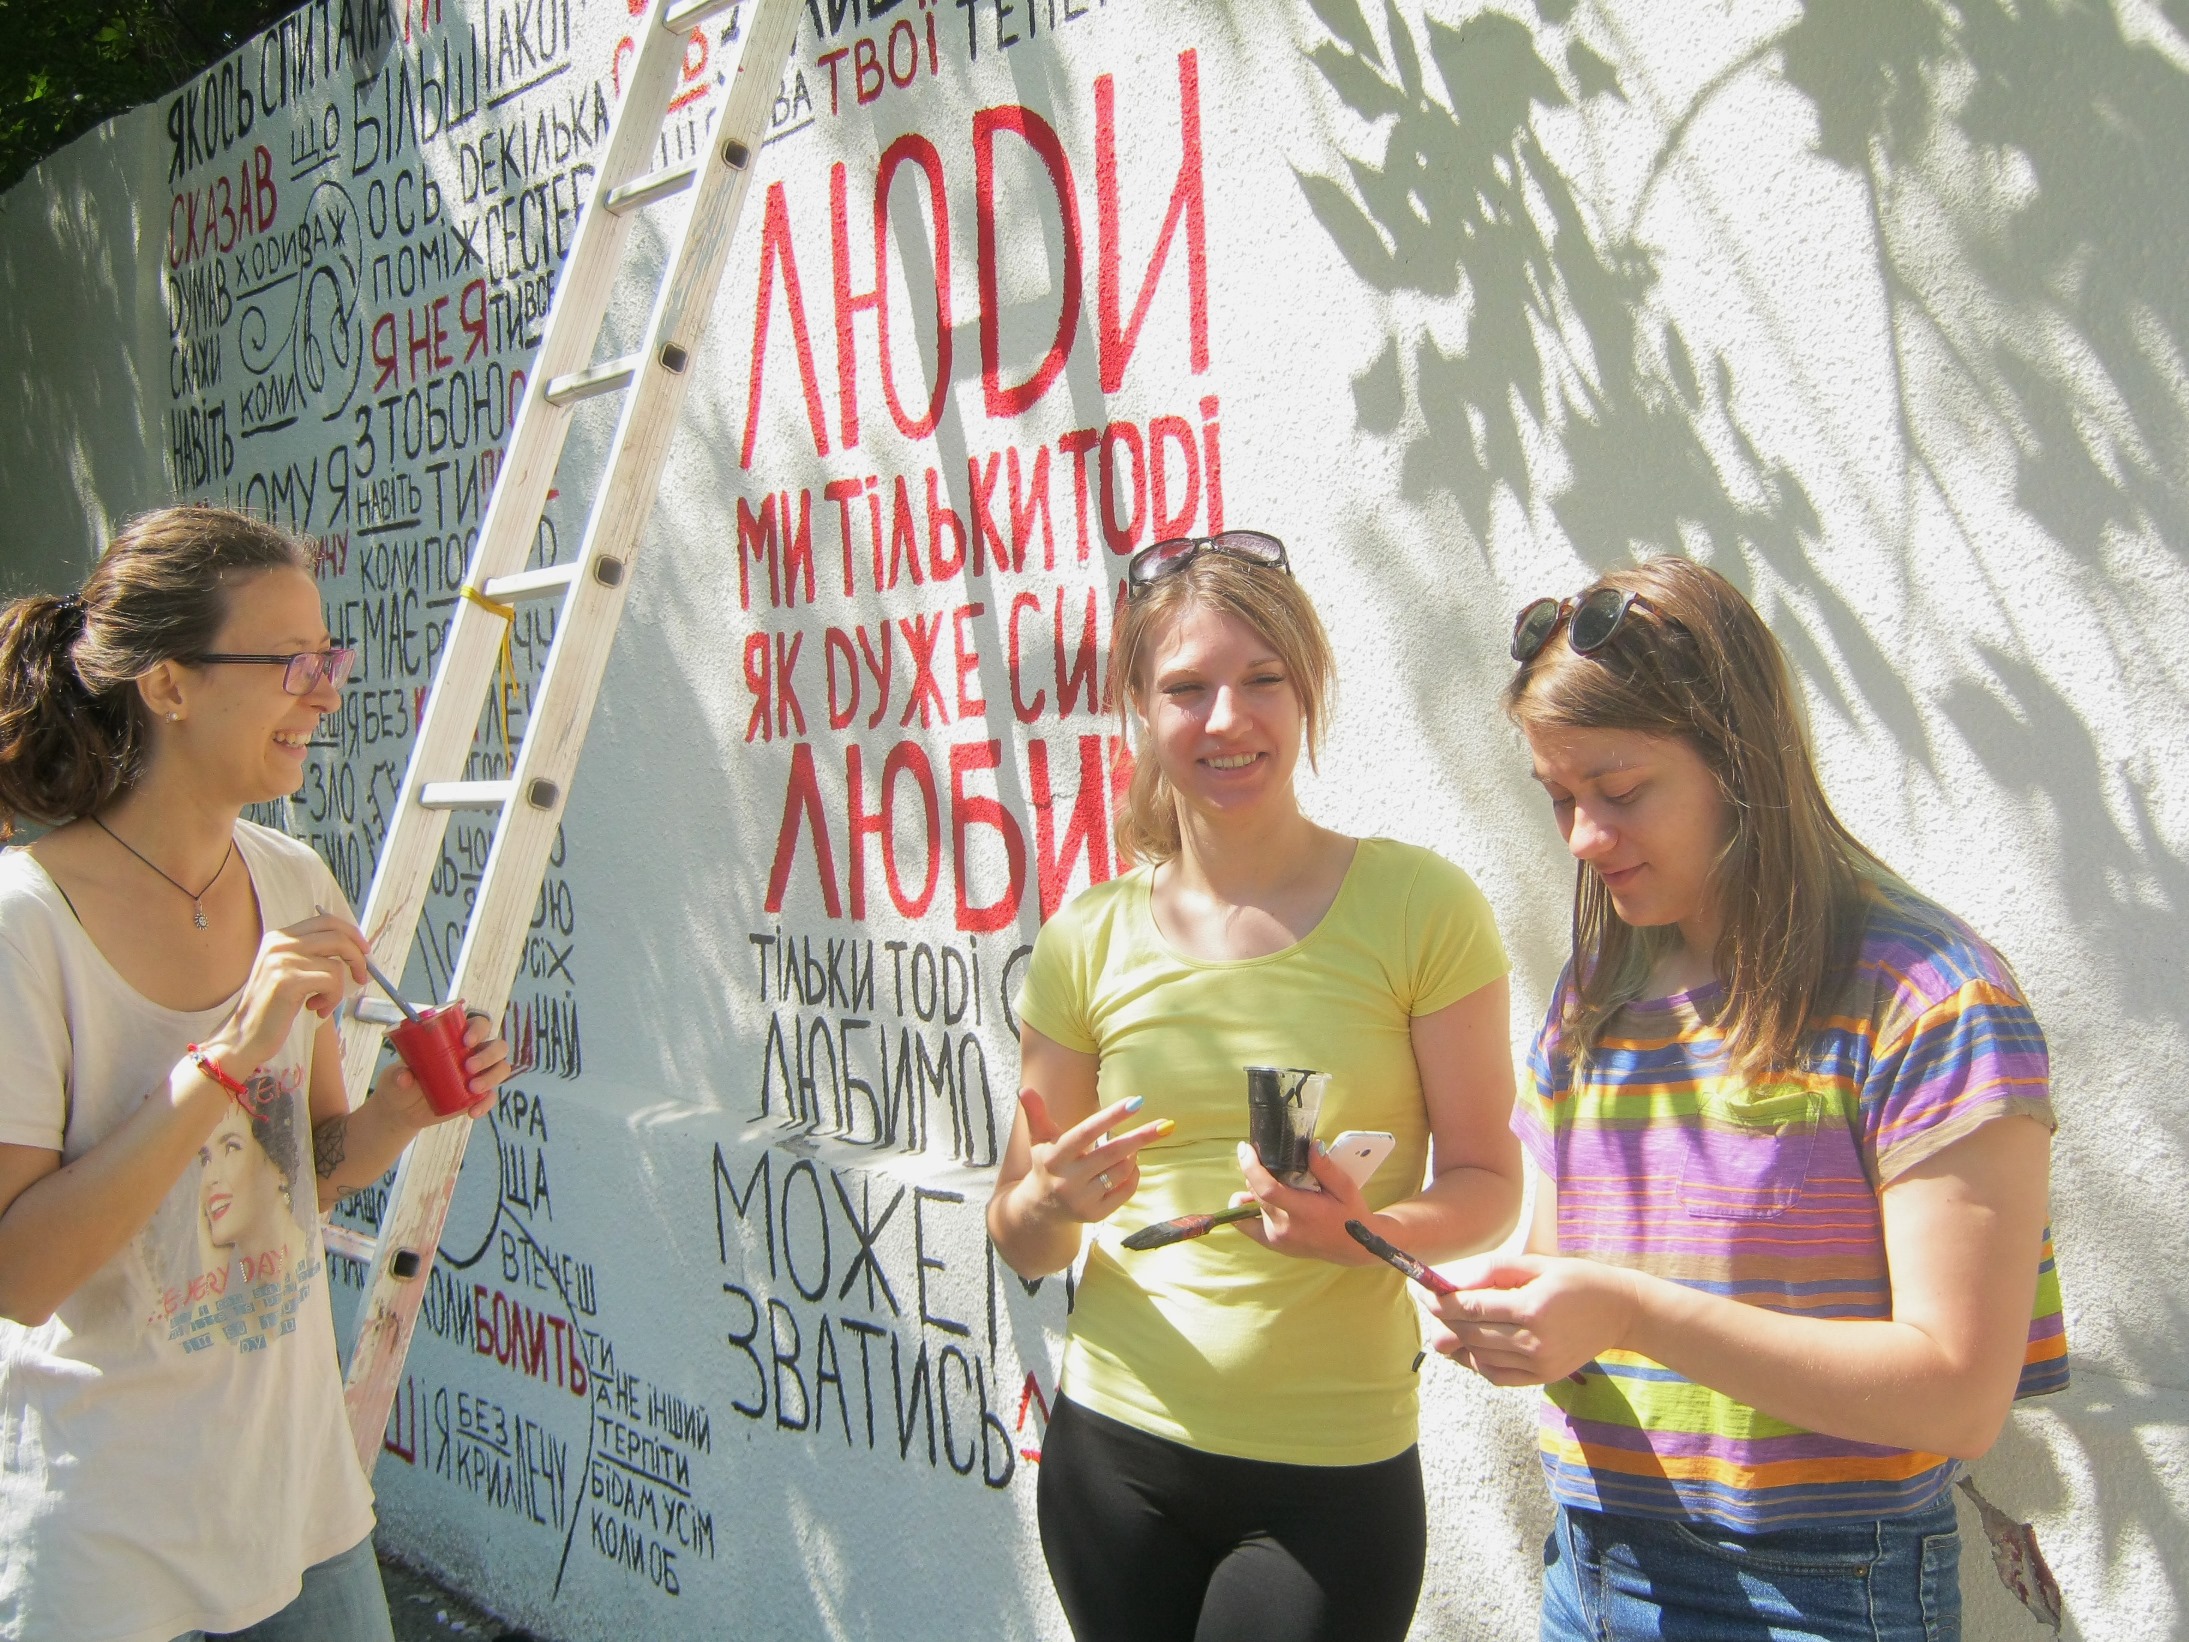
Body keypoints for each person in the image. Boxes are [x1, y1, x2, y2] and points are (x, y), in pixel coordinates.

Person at [1426, 558, 2066, 1641]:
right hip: (1588, 1559)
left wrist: (1626, 1309)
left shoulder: (1928, 998)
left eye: (1618, 791)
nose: (1582, 837)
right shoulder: (1602, 985)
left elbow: (1956, 1393)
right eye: (1558, 799)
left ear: (1739, 759)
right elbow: (1566, 1280)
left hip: (1816, 1587)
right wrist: (1511, 1318)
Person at [987, 531, 1524, 1642]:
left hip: (1329, 1478)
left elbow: (1487, 1182)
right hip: (1113, 1458)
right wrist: (1049, 1204)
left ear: (1307, 688)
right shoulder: (1084, 937)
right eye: (1185, 688)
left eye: (1261, 681)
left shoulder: (1421, 907)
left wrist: (1359, 1230)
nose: (1226, 720)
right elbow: (1021, 1237)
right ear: (1139, 704)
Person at [0, 505, 513, 1642]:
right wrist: (230, 1053)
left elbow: (304, 1175)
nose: (325, 689)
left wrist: (401, 1108)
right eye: (290, 662)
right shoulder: (25, 926)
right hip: (107, 1549)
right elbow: (22, 1273)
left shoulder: (293, 880)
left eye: (328, 656)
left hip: (298, 1517)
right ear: (169, 686)